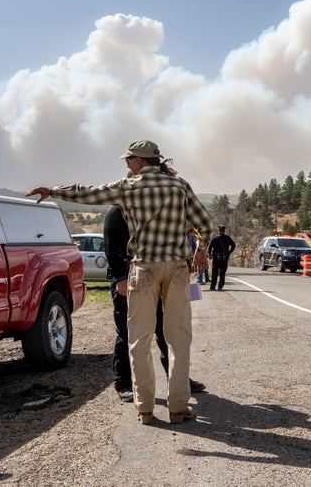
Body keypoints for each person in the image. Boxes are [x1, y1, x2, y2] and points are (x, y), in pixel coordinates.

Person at [28, 139, 212, 426]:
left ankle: (145, 408)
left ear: (138, 163)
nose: (127, 165)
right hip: (176, 268)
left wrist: (53, 190)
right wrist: (201, 250)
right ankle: (177, 407)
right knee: (178, 339)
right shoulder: (180, 186)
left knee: (139, 339)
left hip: (143, 268)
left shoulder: (128, 187)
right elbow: (206, 224)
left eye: (129, 161)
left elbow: (87, 193)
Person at [104, 206, 205, 403]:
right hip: (128, 280)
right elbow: (110, 247)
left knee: (166, 331)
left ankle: (178, 380)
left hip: (155, 279)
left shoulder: (150, 208)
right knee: (129, 333)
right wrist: (119, 278)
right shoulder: (117, 213)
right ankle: (124, 383)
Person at [206, 225, 236, 291]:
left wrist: (210, 254)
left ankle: (212, 287)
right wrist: (229, 252)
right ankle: (220, 286)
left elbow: (210, 248)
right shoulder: (227, 238)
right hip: (224, 258)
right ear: (224, 231)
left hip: (216, 257)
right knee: (222, 273)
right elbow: (233, 245)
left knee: (215, 273)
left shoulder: (214, 239)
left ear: (219, 231)